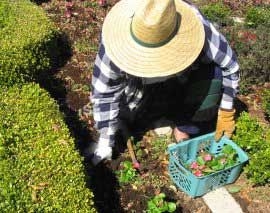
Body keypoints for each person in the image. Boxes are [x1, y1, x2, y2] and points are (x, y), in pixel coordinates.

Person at [89, 0, 240, 165]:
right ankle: (155, 108)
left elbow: (229, 66)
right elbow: (104, 94)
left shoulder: (199, 30)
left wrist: (226, 110)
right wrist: (105, 140)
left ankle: (185, 127)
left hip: (185, 76)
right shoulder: (114, 47)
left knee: (214, 74)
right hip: (139, 85)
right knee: (129, 115)